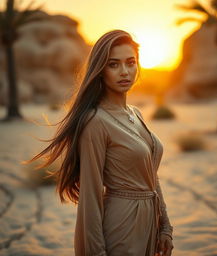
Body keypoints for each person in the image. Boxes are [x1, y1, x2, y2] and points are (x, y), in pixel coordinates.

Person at [25, 29, 174, 256]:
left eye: (130, 62)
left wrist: (165, 226)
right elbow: (91, 199)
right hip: (122, 226)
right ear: (100, 70)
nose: (124, 72)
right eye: (113, 65)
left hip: (150, 224)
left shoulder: (136, 114)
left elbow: (150, 175)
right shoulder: (95, 121)